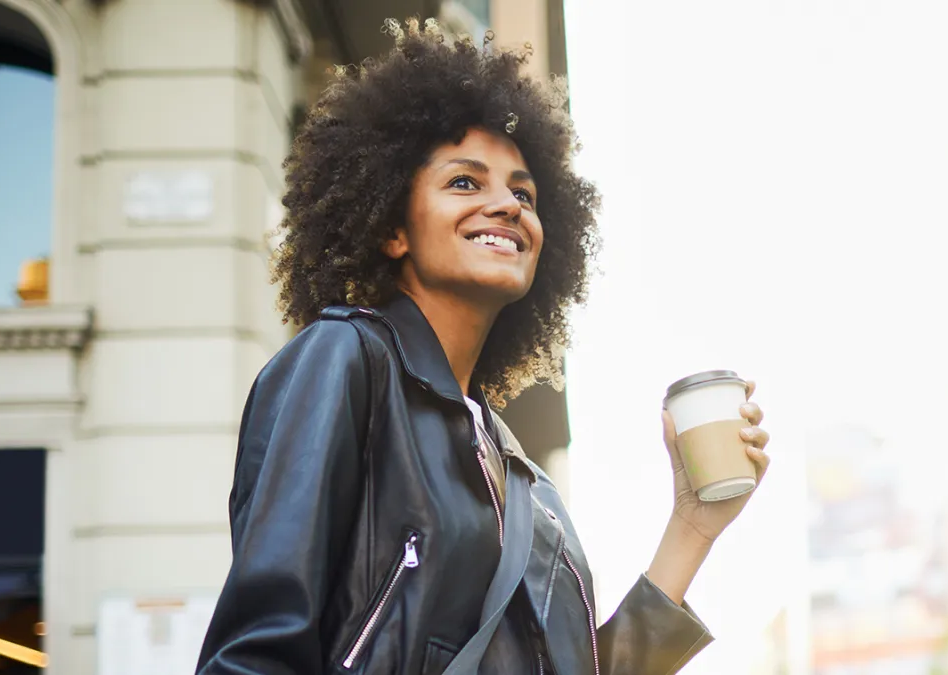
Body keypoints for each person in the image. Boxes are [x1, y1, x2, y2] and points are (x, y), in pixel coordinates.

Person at [195, 17, 771, 675]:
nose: (507, 205)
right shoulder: (346, 361)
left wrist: (692, 527)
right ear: (391, 227)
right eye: (465, 182)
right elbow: (256, 653)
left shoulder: (525, 482)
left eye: (523, 192)